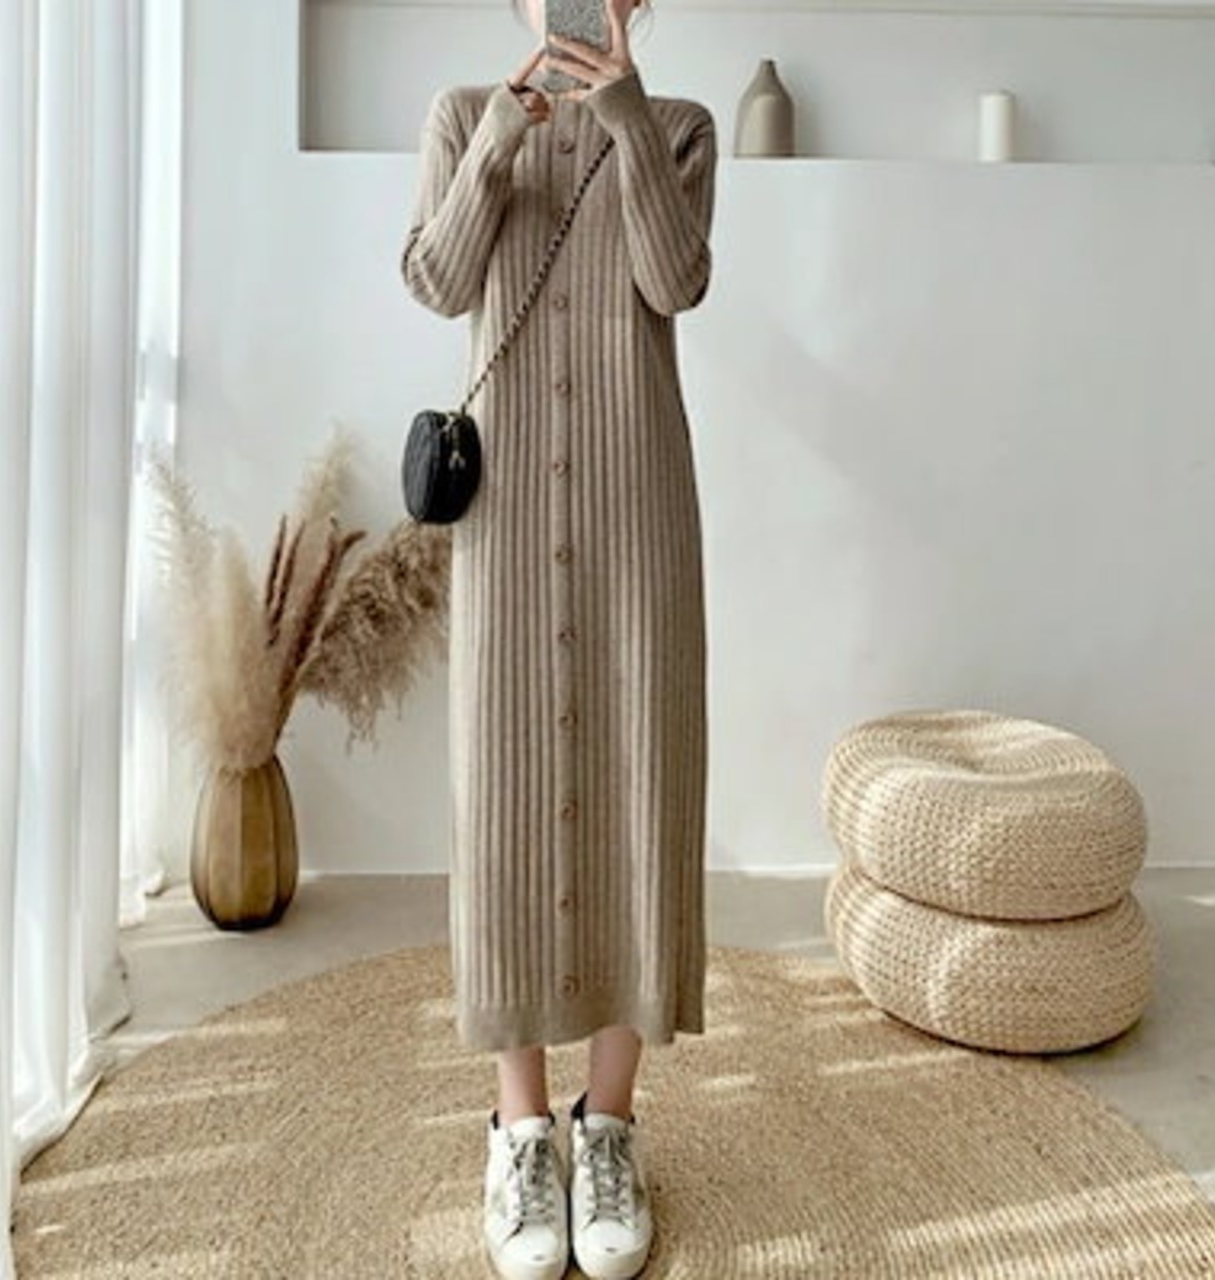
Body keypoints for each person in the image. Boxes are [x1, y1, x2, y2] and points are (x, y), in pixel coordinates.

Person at [401, 1, 716, 1275]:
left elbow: (673, 280)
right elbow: (436, 281)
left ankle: (611, 1121)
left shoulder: (678, 126)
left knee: (643, 781)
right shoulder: (461, 117)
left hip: (637, 512)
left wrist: (621, 111)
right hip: (509, 519)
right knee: (506, 793)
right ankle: (520, 1126)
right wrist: (499, 138)